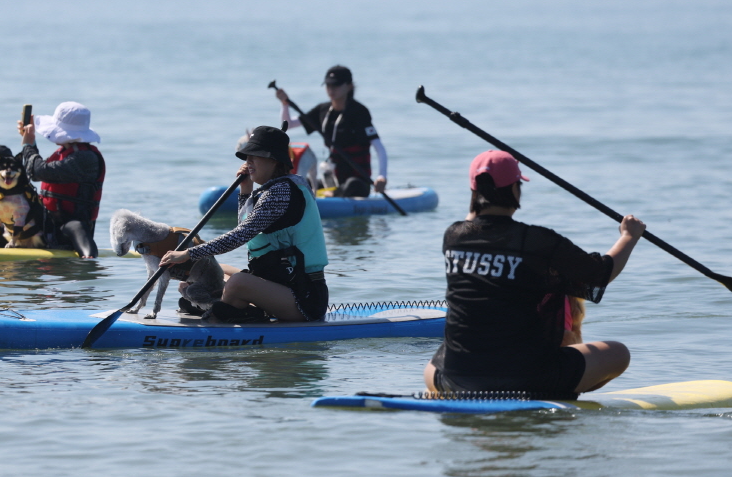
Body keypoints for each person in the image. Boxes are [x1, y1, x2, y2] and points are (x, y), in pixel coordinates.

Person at [423, 150, 646, 398]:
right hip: (529, 379)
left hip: (457, 379)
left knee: (430, 368)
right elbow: (600, 274)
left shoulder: (453, 237)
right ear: (515, 189)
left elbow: (474, 222)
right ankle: (555, 390)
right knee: (618, 353)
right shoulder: (539, 242)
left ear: (474, 192)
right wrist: (629, 236)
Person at [159, 126, 330, 323]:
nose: (248, 163)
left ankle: (218, 308)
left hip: (304, 299)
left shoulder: (282, 192)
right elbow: (248, 228)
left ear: (273, 160)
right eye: (246, 157)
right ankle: (226, 306)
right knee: (215, 269)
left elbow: (240, 235)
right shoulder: (273, 190)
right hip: (280, 284)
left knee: (237, 282)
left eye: (254, 157)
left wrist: (188, 253)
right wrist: (246, 190)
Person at [275, 65, 388, 197]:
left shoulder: (359, 112)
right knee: (299, 183)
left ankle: (332, 195)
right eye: (328, 85)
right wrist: (284, 104)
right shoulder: (322, 110)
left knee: (352, 184)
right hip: (332, 180)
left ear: (349, 86)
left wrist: (381, 177)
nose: (331, 89)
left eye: (336, 85)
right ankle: (328, 194)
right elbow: (288, 124)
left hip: (358, 182)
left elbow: (379, 147)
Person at [17, 101, 105, 258]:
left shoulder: (85, 158)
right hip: (47, 225)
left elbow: (39, 171)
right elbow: (37, 172)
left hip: (68, 231)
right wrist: (30, 142)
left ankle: (89, 260)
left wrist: (28, 145)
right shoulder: (67, 152)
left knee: (76, 226)